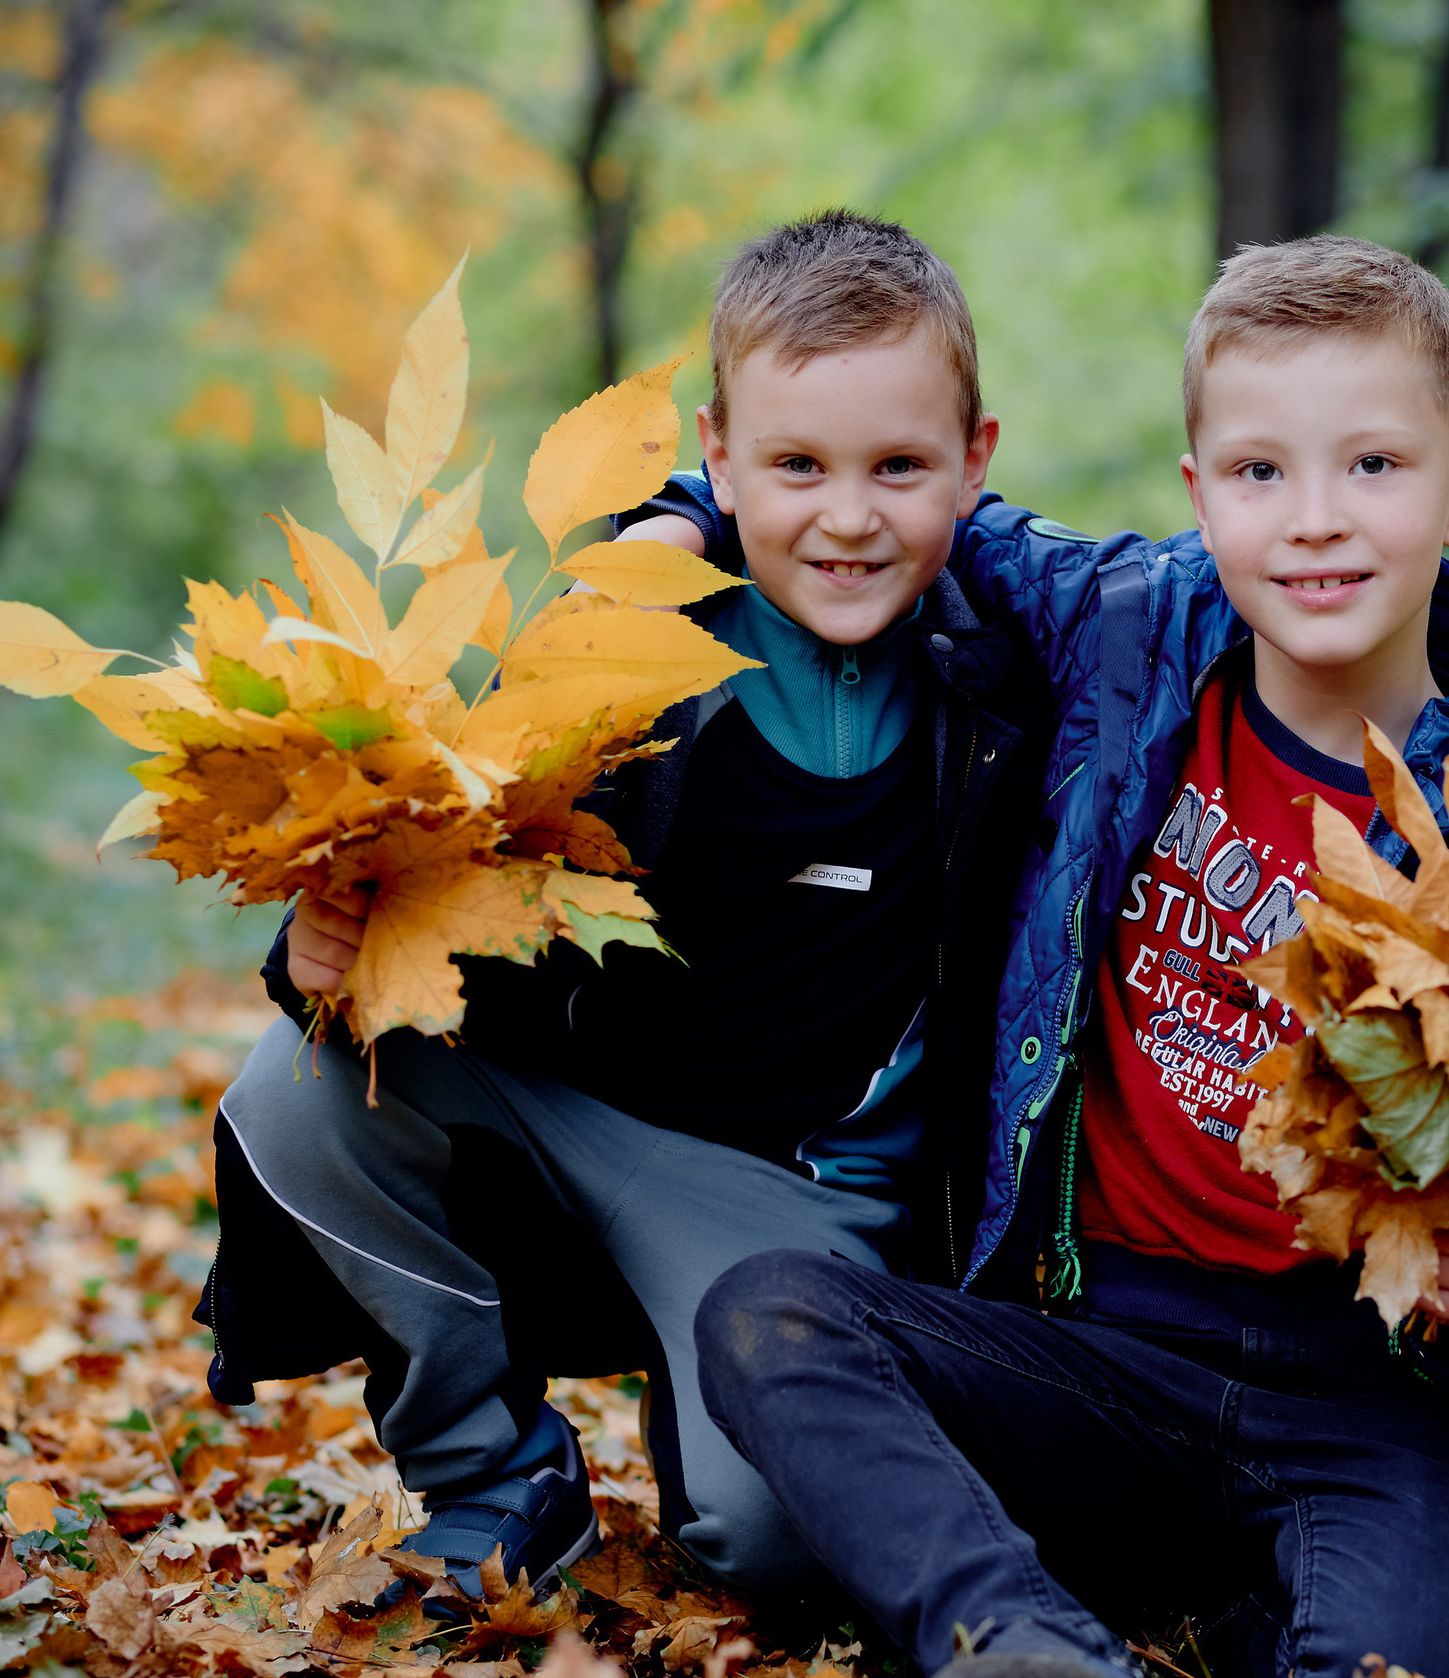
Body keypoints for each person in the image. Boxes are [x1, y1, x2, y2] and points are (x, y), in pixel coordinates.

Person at [679, 237, 1449, 1678]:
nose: (1314, 523)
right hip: (1102, 1360)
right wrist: (680, 517)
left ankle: (1242, 1626)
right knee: (772, 1316)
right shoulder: (1124, 632)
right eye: (1260, 474)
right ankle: (1027, 1655)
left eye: (1373, 467)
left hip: (1380, 1406)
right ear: (1199, 498)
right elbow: (887, 502)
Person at [193, 212, 1058, 1601]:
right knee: (299, 1088)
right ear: (716, 455)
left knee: (781, 1553)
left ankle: (709, 1395)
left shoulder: (1011, 678)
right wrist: (325, 950)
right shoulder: (608, 650)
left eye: (898, 466)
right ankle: (496, 1479)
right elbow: (431, 862)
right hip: (564, 1110)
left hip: (790, 1197)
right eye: (795, 466)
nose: (848, 515)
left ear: (975, 459)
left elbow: (1227, 609)